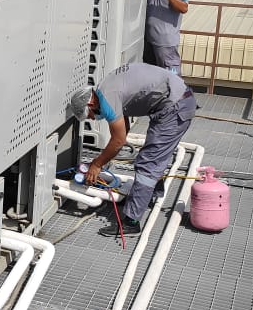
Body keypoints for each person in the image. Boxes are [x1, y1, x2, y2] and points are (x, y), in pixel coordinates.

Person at [71, 63, 196, 235]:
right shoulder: (106, 88)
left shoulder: (107, 99)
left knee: (148, 163)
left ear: (91, 102)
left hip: (175, 107)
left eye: (89, 115)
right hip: (175, 100)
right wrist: (105, 157)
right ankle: (147, 195)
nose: (92, 119)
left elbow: (118, 140)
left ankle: (131, 222)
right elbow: (123, 131)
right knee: (152, 156)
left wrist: (97, 164)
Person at [144, 0, 189, 74]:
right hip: (150, 41)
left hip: (165, 43)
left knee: (171, 78)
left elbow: (184, 7)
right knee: (152, 77)